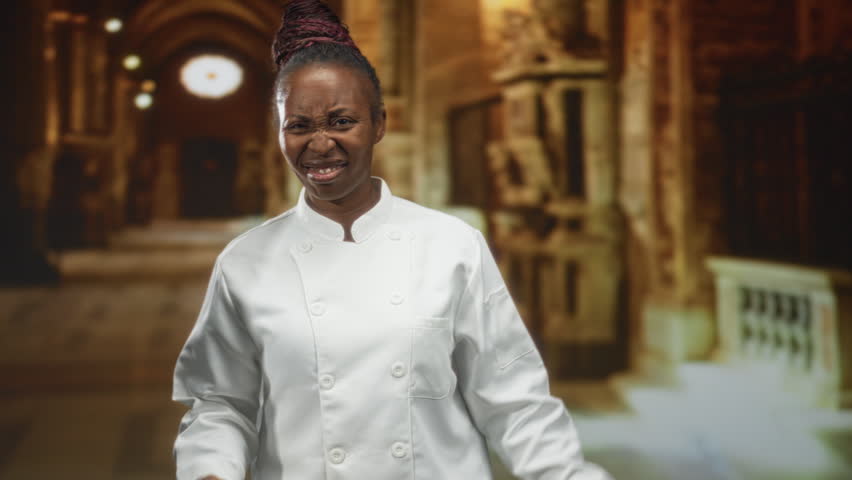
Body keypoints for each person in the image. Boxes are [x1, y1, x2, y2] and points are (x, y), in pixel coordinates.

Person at [172, 1, 613, 479]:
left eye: (342, 121)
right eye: (299, 126)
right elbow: (220, 403)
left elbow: (513, 399)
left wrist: (566, 475)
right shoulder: (247, 261)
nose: (320, 143)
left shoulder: (451, 246)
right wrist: (211, 470)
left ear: (380, 124)